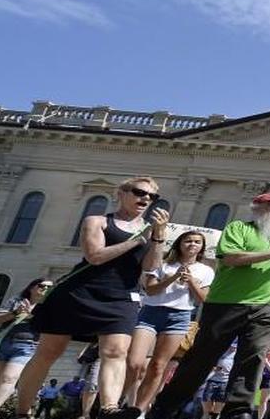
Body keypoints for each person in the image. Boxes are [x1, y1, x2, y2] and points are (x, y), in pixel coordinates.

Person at [16, 177, 170, 419]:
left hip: (121, 296)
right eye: (140, 192)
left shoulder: (150, 231)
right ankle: (22, 412)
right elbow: (95, 256)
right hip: (79, 293)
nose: (146, 199)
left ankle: (109, 408)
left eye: (152, 196)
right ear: (122, 192)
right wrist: (137, 240)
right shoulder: (97, 221)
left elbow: (151, 268)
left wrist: (158, 237)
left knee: (116, 352)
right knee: (48, 353)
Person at [147, 193, 270, 419]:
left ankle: (238, 410)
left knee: (253, 357)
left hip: (268, 304)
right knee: (202, 358)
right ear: (258, 207)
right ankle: (167, 406)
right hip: (226, 303)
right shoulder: (239, 228)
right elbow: (231, 258)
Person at [126, 231, 214, 412]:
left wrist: (191, 282)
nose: (192, 244)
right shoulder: (163, 264)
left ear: (202, 247)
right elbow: (150, 290)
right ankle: (116, 402)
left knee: (158, 366)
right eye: (188, 241)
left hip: (179, 317)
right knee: (135, 363)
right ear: (179, 244)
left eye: (197, 242)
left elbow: (203, 299)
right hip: (150, 313)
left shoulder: (205, 270)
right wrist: (173, 277)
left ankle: (139, 411)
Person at [0, 278, 52, 419]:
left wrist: (35, 316)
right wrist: (16, 313)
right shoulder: (17, 300)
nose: (45, 289)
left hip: (27, 346)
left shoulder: (49, 307)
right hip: (3, 342)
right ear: (32, 288)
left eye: (49, 288)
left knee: (9, 378)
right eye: (42, 286)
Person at [202, 344, 237, 419]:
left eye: (235, 346)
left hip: (225, 383)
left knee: (261, 402)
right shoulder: (221, 350)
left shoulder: (237, 354)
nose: (233, 348)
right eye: (233, 346)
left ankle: (257, 415)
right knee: (207, 412)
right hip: (211, 381)